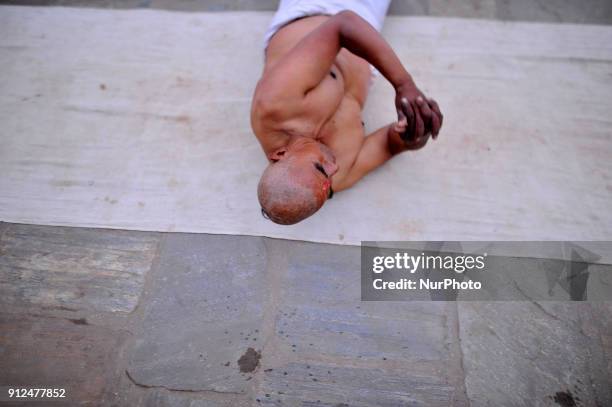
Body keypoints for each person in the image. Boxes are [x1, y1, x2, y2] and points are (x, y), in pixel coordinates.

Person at [251, 0, 443, 225]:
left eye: (320, 168)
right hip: (370, 22)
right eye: (329, 178)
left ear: (280, 154)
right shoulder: (335, 178)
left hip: (321, 7)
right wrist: (415, 132)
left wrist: (403, 84)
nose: (335, 168)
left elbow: (343, 23)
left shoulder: (275, 105)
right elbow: (391, 145)